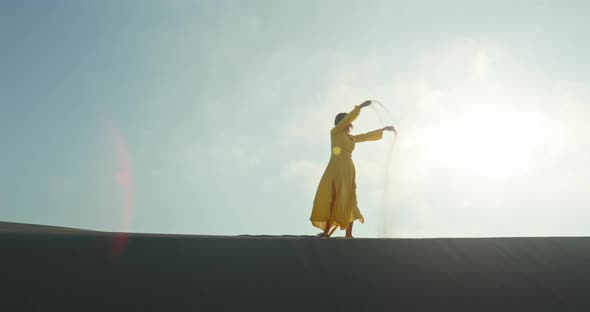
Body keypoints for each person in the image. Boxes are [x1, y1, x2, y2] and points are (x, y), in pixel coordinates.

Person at [310, 100, 396, 238]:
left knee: (350, 199)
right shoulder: (335, 132)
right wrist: (360, 107)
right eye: (344, 121)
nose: (347, 123)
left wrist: (383, 129)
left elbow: (365, 136)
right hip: (336, 168)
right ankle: (326, 232)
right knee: (334, 198)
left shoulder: (350, 138)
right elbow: (349, 118)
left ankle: (349, 234)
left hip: (348, 168)